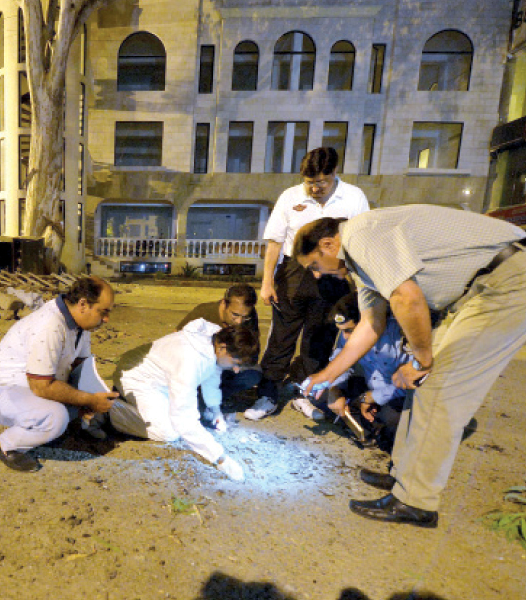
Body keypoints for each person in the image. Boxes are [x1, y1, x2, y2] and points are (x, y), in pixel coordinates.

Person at [295, 207, 526, 527]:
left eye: (313, 265)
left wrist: (421, 360)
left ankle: (416, 502)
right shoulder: (362, 262)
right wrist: (326, 375)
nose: (317, 274)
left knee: (437, 386)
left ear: (327, 245)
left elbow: (407, 299)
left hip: (514, 276)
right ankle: (403, 477)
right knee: (419, 386)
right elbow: (371, 324)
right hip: (483, 286)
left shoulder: (360, 234)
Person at [244, 147, 369, 421]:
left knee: (319, 339)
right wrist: (267, 282)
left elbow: (362, 240)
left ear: (335, 174)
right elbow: (275, 241)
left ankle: (304, 395)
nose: (314, 188)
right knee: (282, 337)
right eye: (309, 182)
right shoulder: (290, 196)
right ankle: (268, 394)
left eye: (321, 182)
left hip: (334, 274)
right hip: (294, 272)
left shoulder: (354, 197)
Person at [0, 276, 118, 473]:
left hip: (28, 391)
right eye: (103, 312)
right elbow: (41, 386)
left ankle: (48, 431)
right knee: (55, 417)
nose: (106, 319)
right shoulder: (50, 325)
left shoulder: (81, 325)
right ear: (83, 304)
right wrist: (89, 400)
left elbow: (79, 367)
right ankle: (7, 445)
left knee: (79, 407)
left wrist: (90, 399)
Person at [110, 321, 259, 481]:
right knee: (168, 431)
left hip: (162, 381)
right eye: (235, 363)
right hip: (137, 379)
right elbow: (184, 418)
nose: (235, 370)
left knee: (189, 416)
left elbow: (212, 374)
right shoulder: (190, 359)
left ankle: (127, 404)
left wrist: (215, 410)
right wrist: (220, 458)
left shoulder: (214, 341)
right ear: (222, 347)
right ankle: (110, 409)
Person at [306, 292, 410, 453]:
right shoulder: (346, 335)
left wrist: (371, 398)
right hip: (371, 388)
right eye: (342, 331)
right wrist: (335, 390)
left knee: (391, 418)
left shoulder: (399, 334)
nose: (345, 337)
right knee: (321, 392)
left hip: (399, 394)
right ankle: (367, 429)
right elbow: (340, 362)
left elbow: (411, 384)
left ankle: (390, 444)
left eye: (350, 330)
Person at [176, 284, 262, 417]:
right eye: (235, 315)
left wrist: (238, 363)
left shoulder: (249, 318)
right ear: (224, 304)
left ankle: (218, 396)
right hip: (199, 367)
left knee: (252, 374)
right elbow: (177, 342)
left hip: (224, 367)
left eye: (245, 317)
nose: (240, 322)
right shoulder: (203, 313)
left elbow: (251, 352)